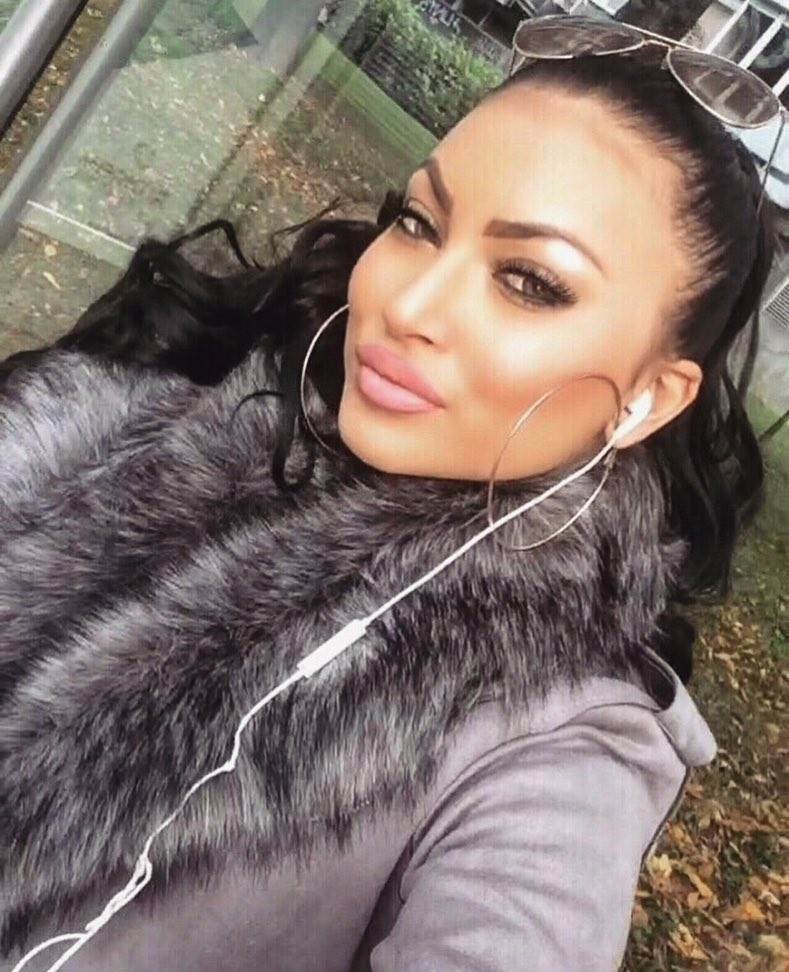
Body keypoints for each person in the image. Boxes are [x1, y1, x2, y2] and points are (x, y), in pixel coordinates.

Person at [0, 22, 775, 972]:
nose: (405, 306)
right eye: (417, 224)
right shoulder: (177, 410)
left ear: (648, 398)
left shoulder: (561, 746)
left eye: (530, 282)